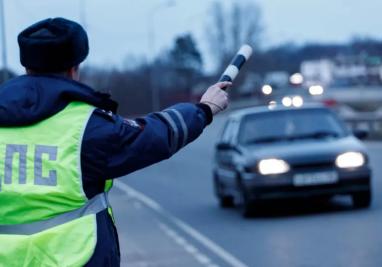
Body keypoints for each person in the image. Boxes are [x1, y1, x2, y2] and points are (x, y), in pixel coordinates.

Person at [0, 17, 230, 266]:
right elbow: (155, 135)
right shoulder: (87, 126)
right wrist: (204, 109)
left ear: (26, 68)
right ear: (73, 69)